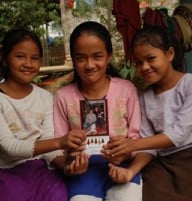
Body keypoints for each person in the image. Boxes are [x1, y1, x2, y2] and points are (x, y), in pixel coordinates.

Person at [104, 26, 192, 201]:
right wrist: (130, 171)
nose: (145, 67)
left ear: (170, 54)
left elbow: (178, 134)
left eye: (151, 58)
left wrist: (132, 144)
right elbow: (149, 147)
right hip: (163, 165)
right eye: (139, 62)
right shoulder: (145, 97)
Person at [53, 21, 149, 201]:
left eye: (97, 56)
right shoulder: (63, 96)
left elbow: (138, 138)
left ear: (108, 56)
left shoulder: (126, 90)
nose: (89, 65)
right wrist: (68, 163)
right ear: (73, 59)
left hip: (122, 166)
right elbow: (58, 146)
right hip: (83, 172)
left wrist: (126, 151)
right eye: (81, 58)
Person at [0, 29, 70, 201]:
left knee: (59, 195)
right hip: (5, 170)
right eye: (20, 56)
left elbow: (49, 145)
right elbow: (10, 147)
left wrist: (67, 166)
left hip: (43, 169)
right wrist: (60, 142)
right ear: (4, 58)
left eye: (34, 58)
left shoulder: (45, 97)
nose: (28, 63)